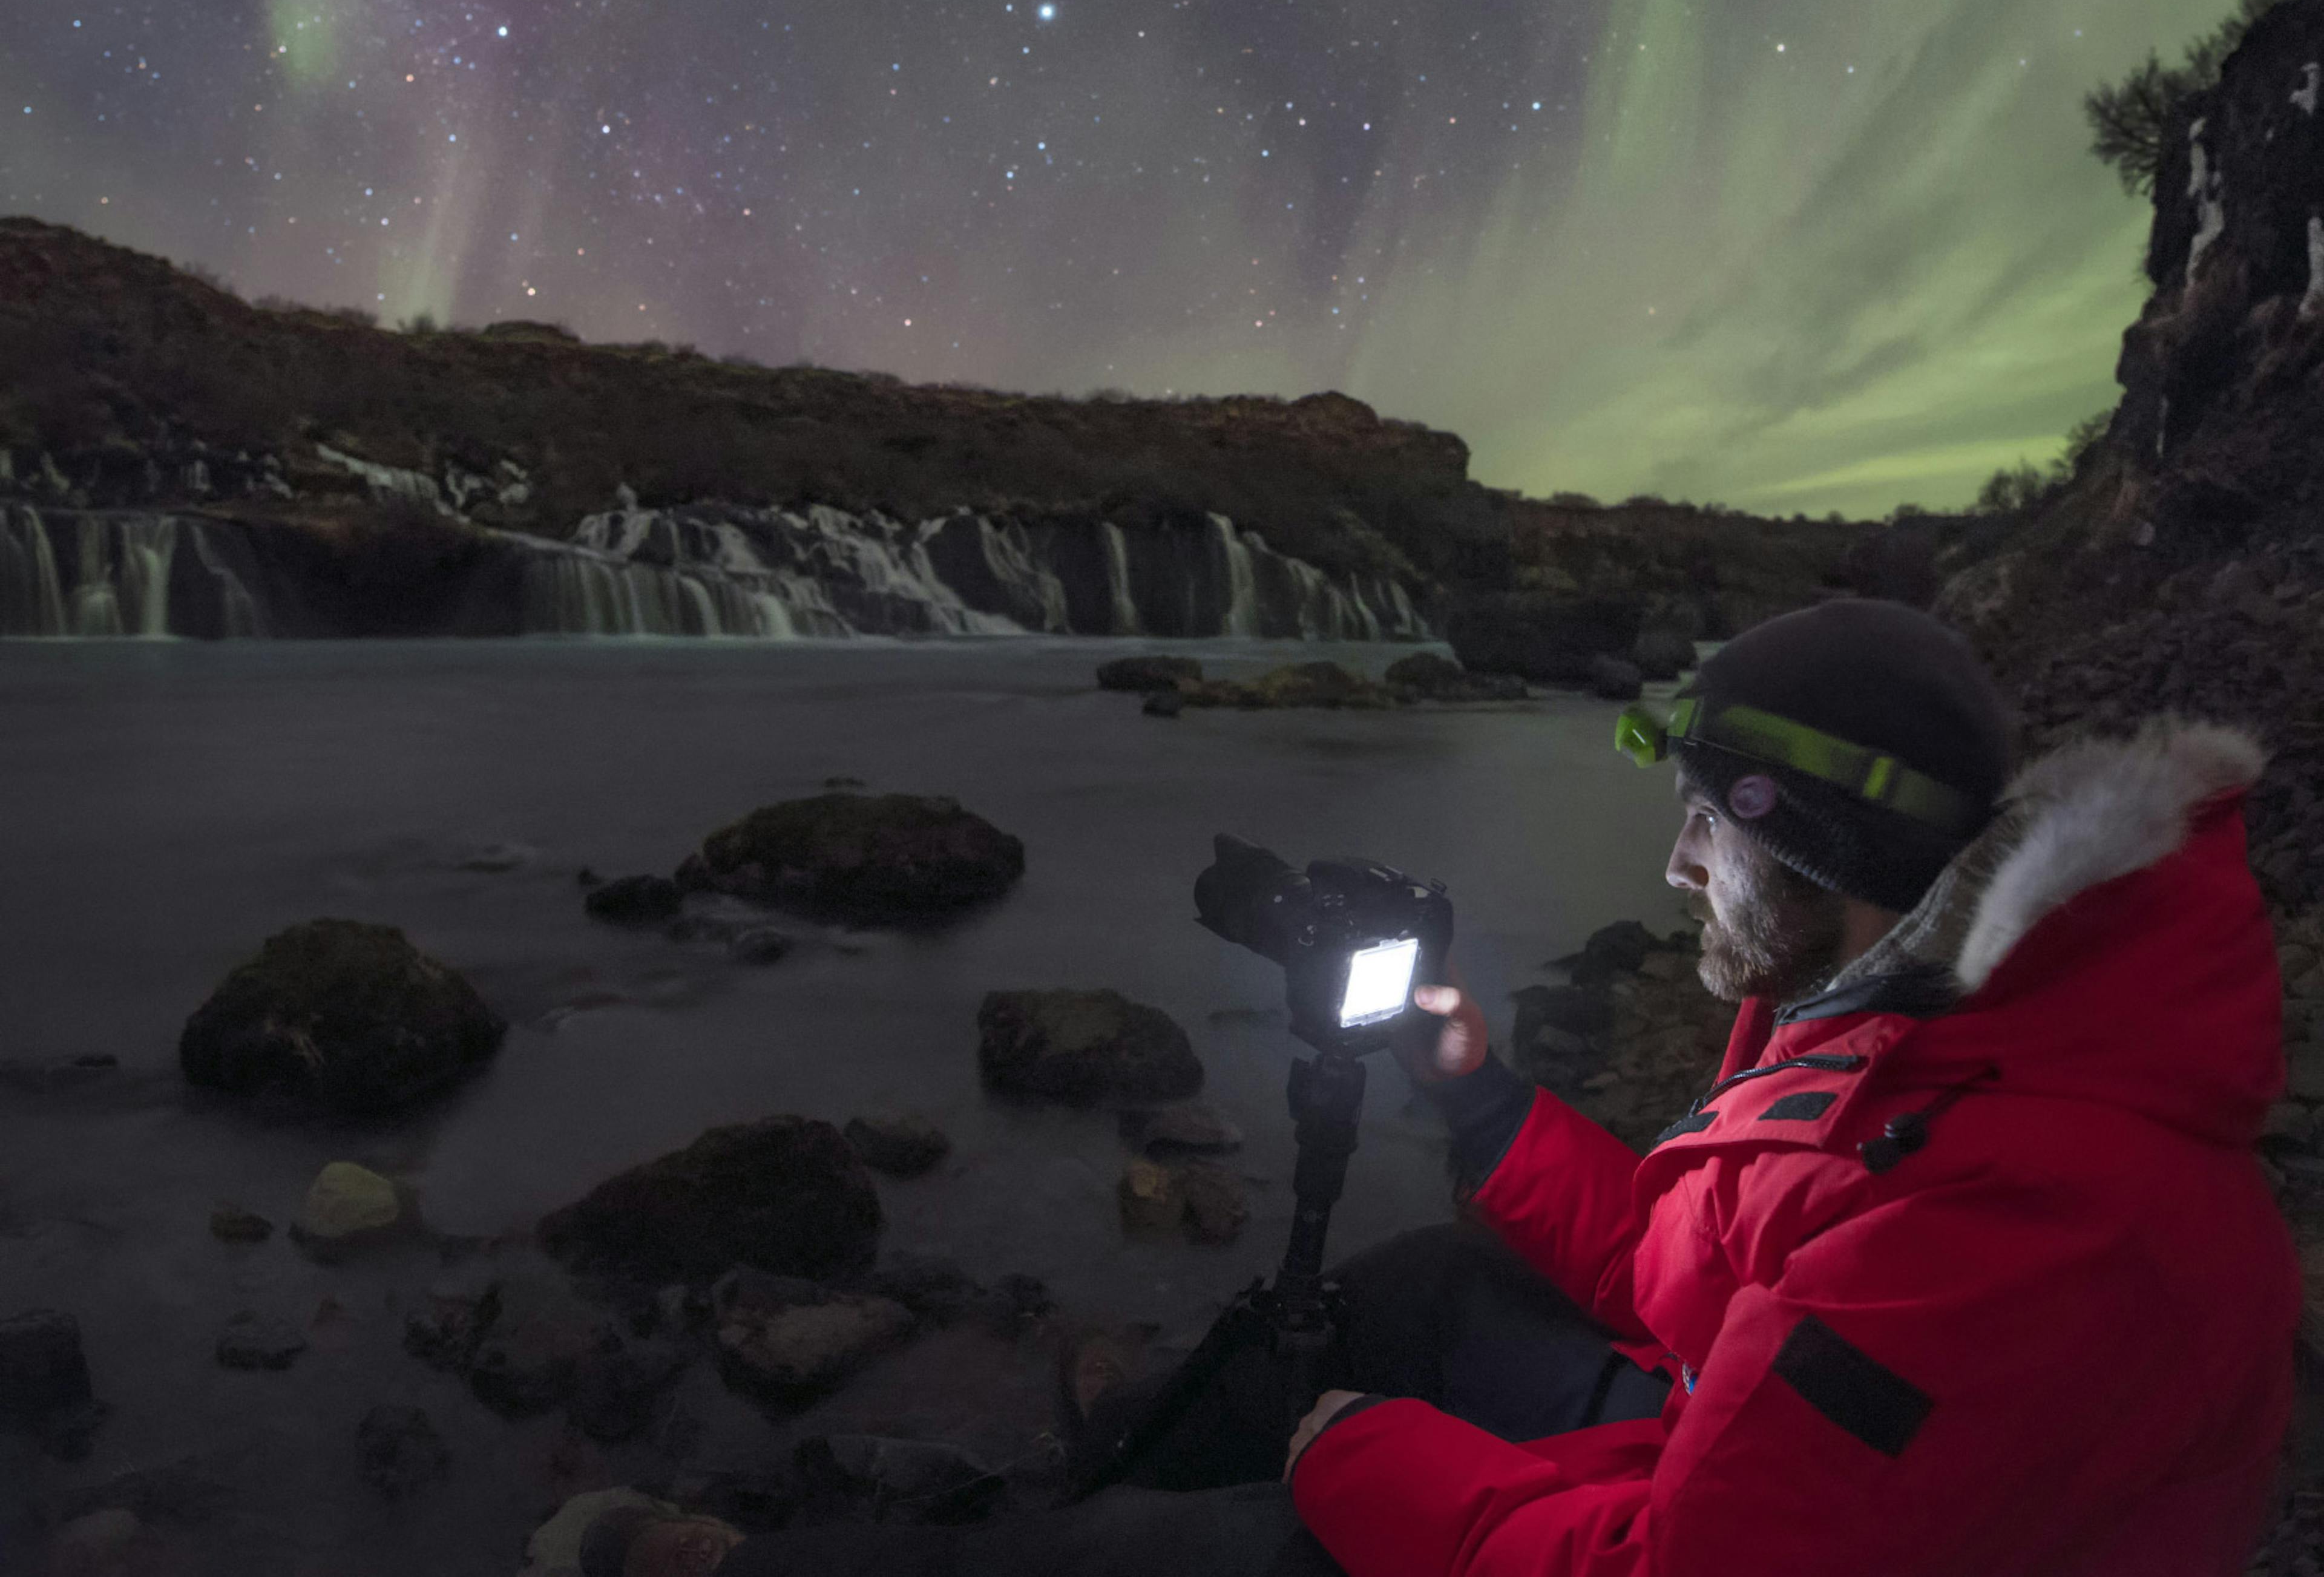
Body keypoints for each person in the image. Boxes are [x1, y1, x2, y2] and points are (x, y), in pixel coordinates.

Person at [576, 598, 2302, 1577]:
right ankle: (1138, 1458)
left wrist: (1360, 1467)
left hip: (1748, 1525)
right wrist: (1479, 1098)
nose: (1679, 866)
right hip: (1758, 1458)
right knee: (1412, 1291)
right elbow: (1689, 1278)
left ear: (1822, 844)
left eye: (1706, 822)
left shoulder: (2037, 1216)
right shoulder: (1887, 1011)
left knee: (1270, 1534)